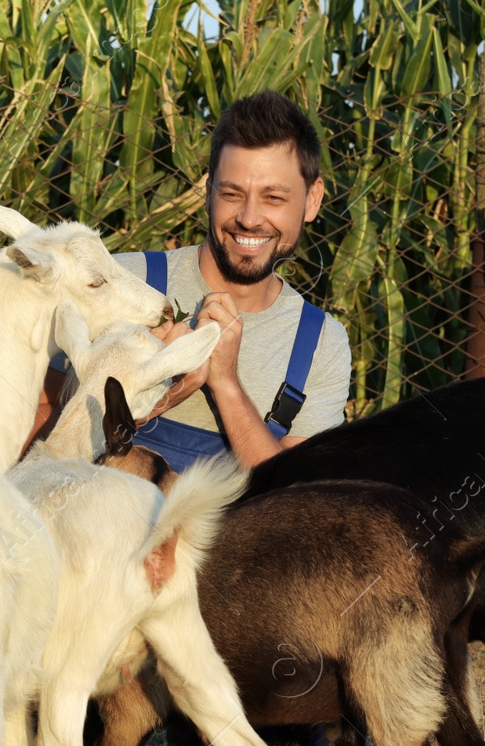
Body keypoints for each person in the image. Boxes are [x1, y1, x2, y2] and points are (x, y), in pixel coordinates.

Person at [32, 89, 352, 467]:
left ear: (312, 200)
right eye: (233, 193)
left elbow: (297, 502)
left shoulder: (320, 345)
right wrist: (144, 386)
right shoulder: (119, 283)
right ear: (207, 191)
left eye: (273, 198)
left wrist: (227, 385)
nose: (249, 218)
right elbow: (34, 416)